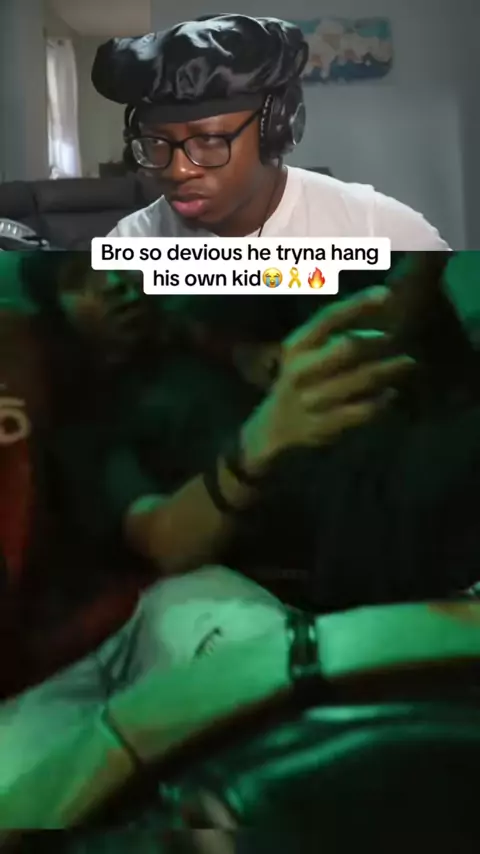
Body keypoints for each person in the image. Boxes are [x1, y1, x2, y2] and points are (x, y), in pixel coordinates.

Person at [91, 15, 449, 249]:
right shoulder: (129, 245)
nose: (178, 170)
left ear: (275, 130)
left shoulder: (377, 230)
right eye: (156, 143)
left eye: (209, 140)